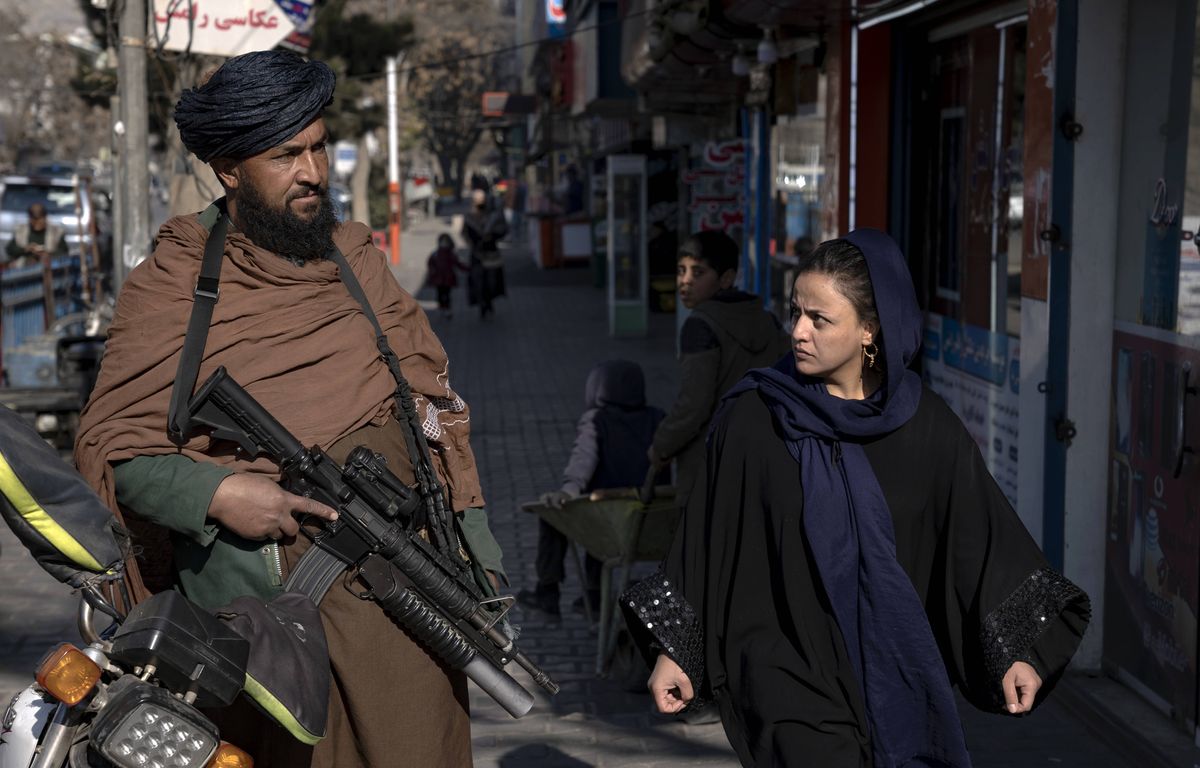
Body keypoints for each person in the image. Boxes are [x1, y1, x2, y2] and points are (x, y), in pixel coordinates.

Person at [74, 50, 506, 768]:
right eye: (286, 155)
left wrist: (480, 566)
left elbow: (433, 413)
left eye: (318, 146)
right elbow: (120, 453)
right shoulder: (177, 282)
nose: (313, 171)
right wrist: (219, 492)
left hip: (406, 607)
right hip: (269, 636)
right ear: (228, 168)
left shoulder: (356, 262)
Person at [623, 230, 1091, 767]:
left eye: (819, 320)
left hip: (893, 672)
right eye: (795, 312)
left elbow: (980, 544)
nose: (798, 331)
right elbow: (705, 539)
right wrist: (674, 652)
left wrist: (1019, 654)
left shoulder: (926, 427)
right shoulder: (755, 418)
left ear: (870, 329)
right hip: (782, 673)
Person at [648, 230, 790, 511]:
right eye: (681, 270)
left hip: (710, 462)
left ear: (725, 278)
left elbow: (694, 404)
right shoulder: (767, 320)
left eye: (698, 273)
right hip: (763, 455)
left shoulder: (700, 325)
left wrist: (662, 445)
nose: (684, 281)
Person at [517, 360, 666, 618]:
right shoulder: (659, 418)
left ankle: (548, 591)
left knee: (556, 514)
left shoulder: (597, 420)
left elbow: (583, 459)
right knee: (599, 512)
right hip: (651, 519)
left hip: (609, 518)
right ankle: (594, 596)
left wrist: (568, 491)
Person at [462, 189, 508, 318]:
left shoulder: (492, 215)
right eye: (476, 199)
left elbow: (502, 230)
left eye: (480, 199)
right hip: (477, 254)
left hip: (491, 253)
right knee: (478, 280)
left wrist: (491, 236)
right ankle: (482, 304)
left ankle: (489, 302)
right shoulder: (469, 216)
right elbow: (465, 233)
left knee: (491, 281)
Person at [4, 202, 68, 267]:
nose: (37, 222)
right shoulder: (21, 231)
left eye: (39, 219)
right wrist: (25, 249)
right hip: (24, 266)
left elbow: (64, 251)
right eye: (34, 219)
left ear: (45, 218)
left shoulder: (56, 232)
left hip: (49, 266)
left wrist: (48, 254)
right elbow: (10, 249)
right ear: (30, 219)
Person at [427, 233, 467, 319]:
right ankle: (442, 308)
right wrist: (432, 273)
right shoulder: (436, 254)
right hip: (439, 279)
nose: (444, 243)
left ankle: (447, 309)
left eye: (445, 242)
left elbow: (458, 264)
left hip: (448, 278)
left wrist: (467, 269)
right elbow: (430, 264)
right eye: (442, 241)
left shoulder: (451, 254)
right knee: (440, 294)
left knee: (447, 295)